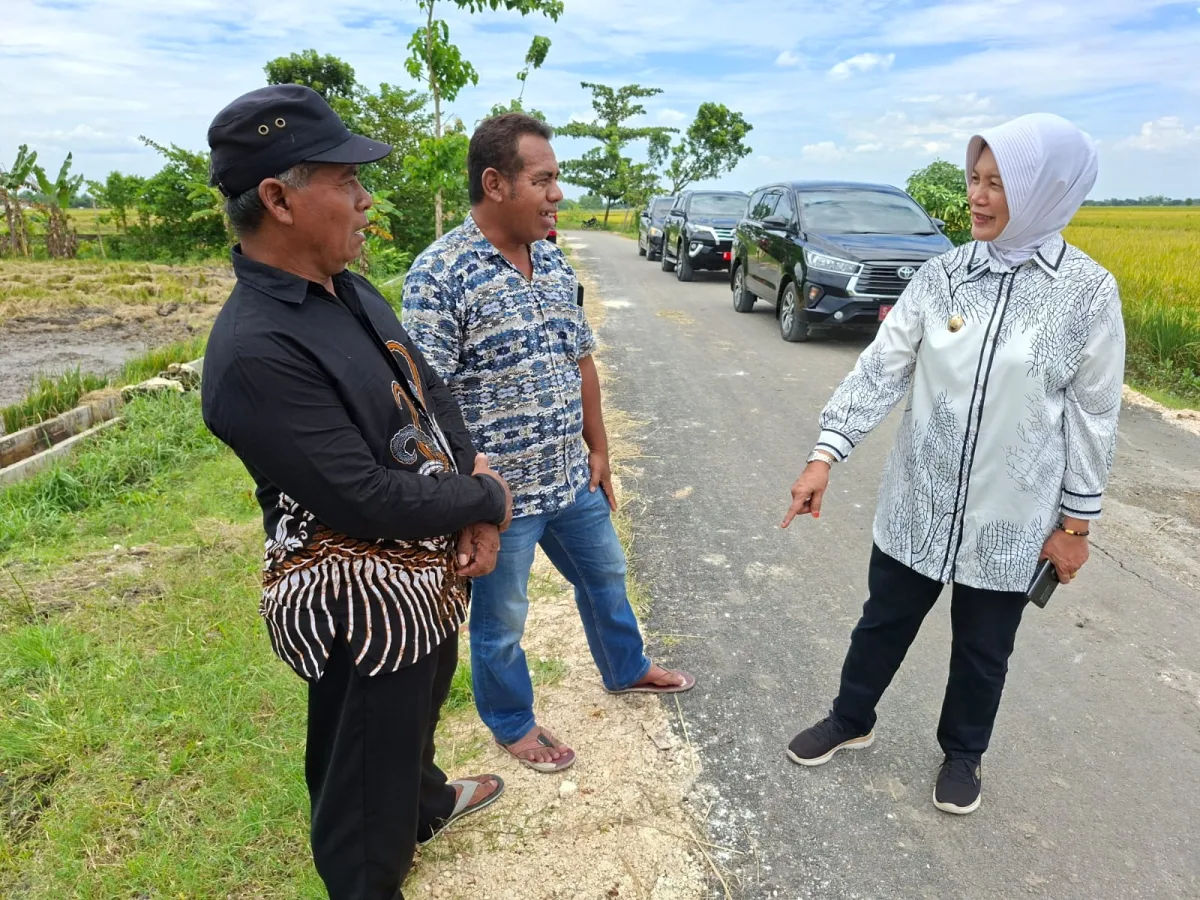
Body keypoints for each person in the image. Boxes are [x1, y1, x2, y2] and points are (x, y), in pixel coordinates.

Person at [200, 84, 513, 899]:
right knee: (361, 762)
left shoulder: (347, 288)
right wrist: (486, 504)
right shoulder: (253, 351)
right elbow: (364, 499)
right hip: (359, 594)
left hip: (427, 566)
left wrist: (474, 480)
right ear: (279, 198)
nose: (367, 199)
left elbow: (431, 389)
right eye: (346, 181)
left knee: (415, 712)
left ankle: (426, 805)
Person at [781, 113, 1125, 816]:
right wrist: (826, 455)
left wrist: (1076, 526)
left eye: (998, 183)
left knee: (983, 648)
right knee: (882, 621)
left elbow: (1094, 415)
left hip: (1011, 517)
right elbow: (881, 368)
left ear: (1043, 191)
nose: (977, 196)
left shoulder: (1087, 294)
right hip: (919, 498)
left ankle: (964, 754)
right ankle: (852, 719)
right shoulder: (943, 275)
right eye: (975, 178)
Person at [402, 113, 695, 773]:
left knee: (607, 577)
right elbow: (422, 402)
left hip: (570, 478)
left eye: (556, 178)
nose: (557, 193)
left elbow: (580, 360)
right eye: (544, 179)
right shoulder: (439, 275)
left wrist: (599, 450)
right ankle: (512, 723)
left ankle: (626, 668)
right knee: (501, 624)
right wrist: (465, 502)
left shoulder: (554, 260)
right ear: (495, 183)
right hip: (498, 501)